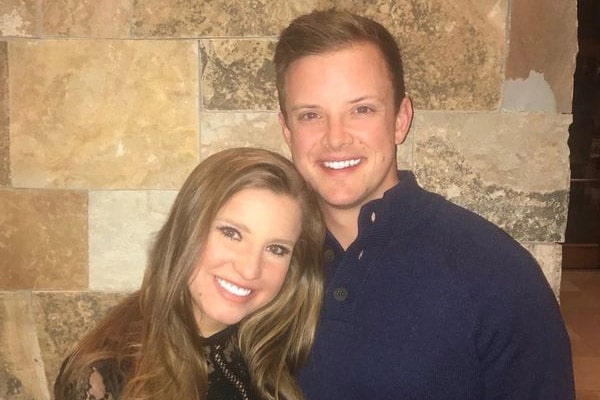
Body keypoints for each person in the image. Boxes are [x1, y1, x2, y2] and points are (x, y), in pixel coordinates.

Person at [274, 8, 575, 400]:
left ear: (400, 120)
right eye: (311, 115)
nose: (335, 138)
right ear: (287, 130)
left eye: (361, 109)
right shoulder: (264, 262)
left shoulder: (499, 274)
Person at [54, 147, 325, 400]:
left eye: (276, 249)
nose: (249, 269)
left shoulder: (276, 353)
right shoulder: (104, 376)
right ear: (186, 231)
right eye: (231, 233)